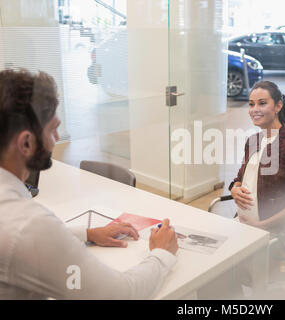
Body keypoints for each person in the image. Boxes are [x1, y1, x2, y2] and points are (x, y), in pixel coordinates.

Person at [0, 69, 178, 299]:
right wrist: (162, 254)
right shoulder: (27, 225)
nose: (56, 140)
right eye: (54, 129)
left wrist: (87, 233)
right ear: (26, 143)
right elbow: (120, 295)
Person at [229, 81, 285, 233]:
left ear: (278, 106)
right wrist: (234, 189)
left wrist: (264, 225)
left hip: (272, 230)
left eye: (262, 103)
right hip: (242, 223)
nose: (255, 110)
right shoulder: (253, 141)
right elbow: (240, 178)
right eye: (251, 104)